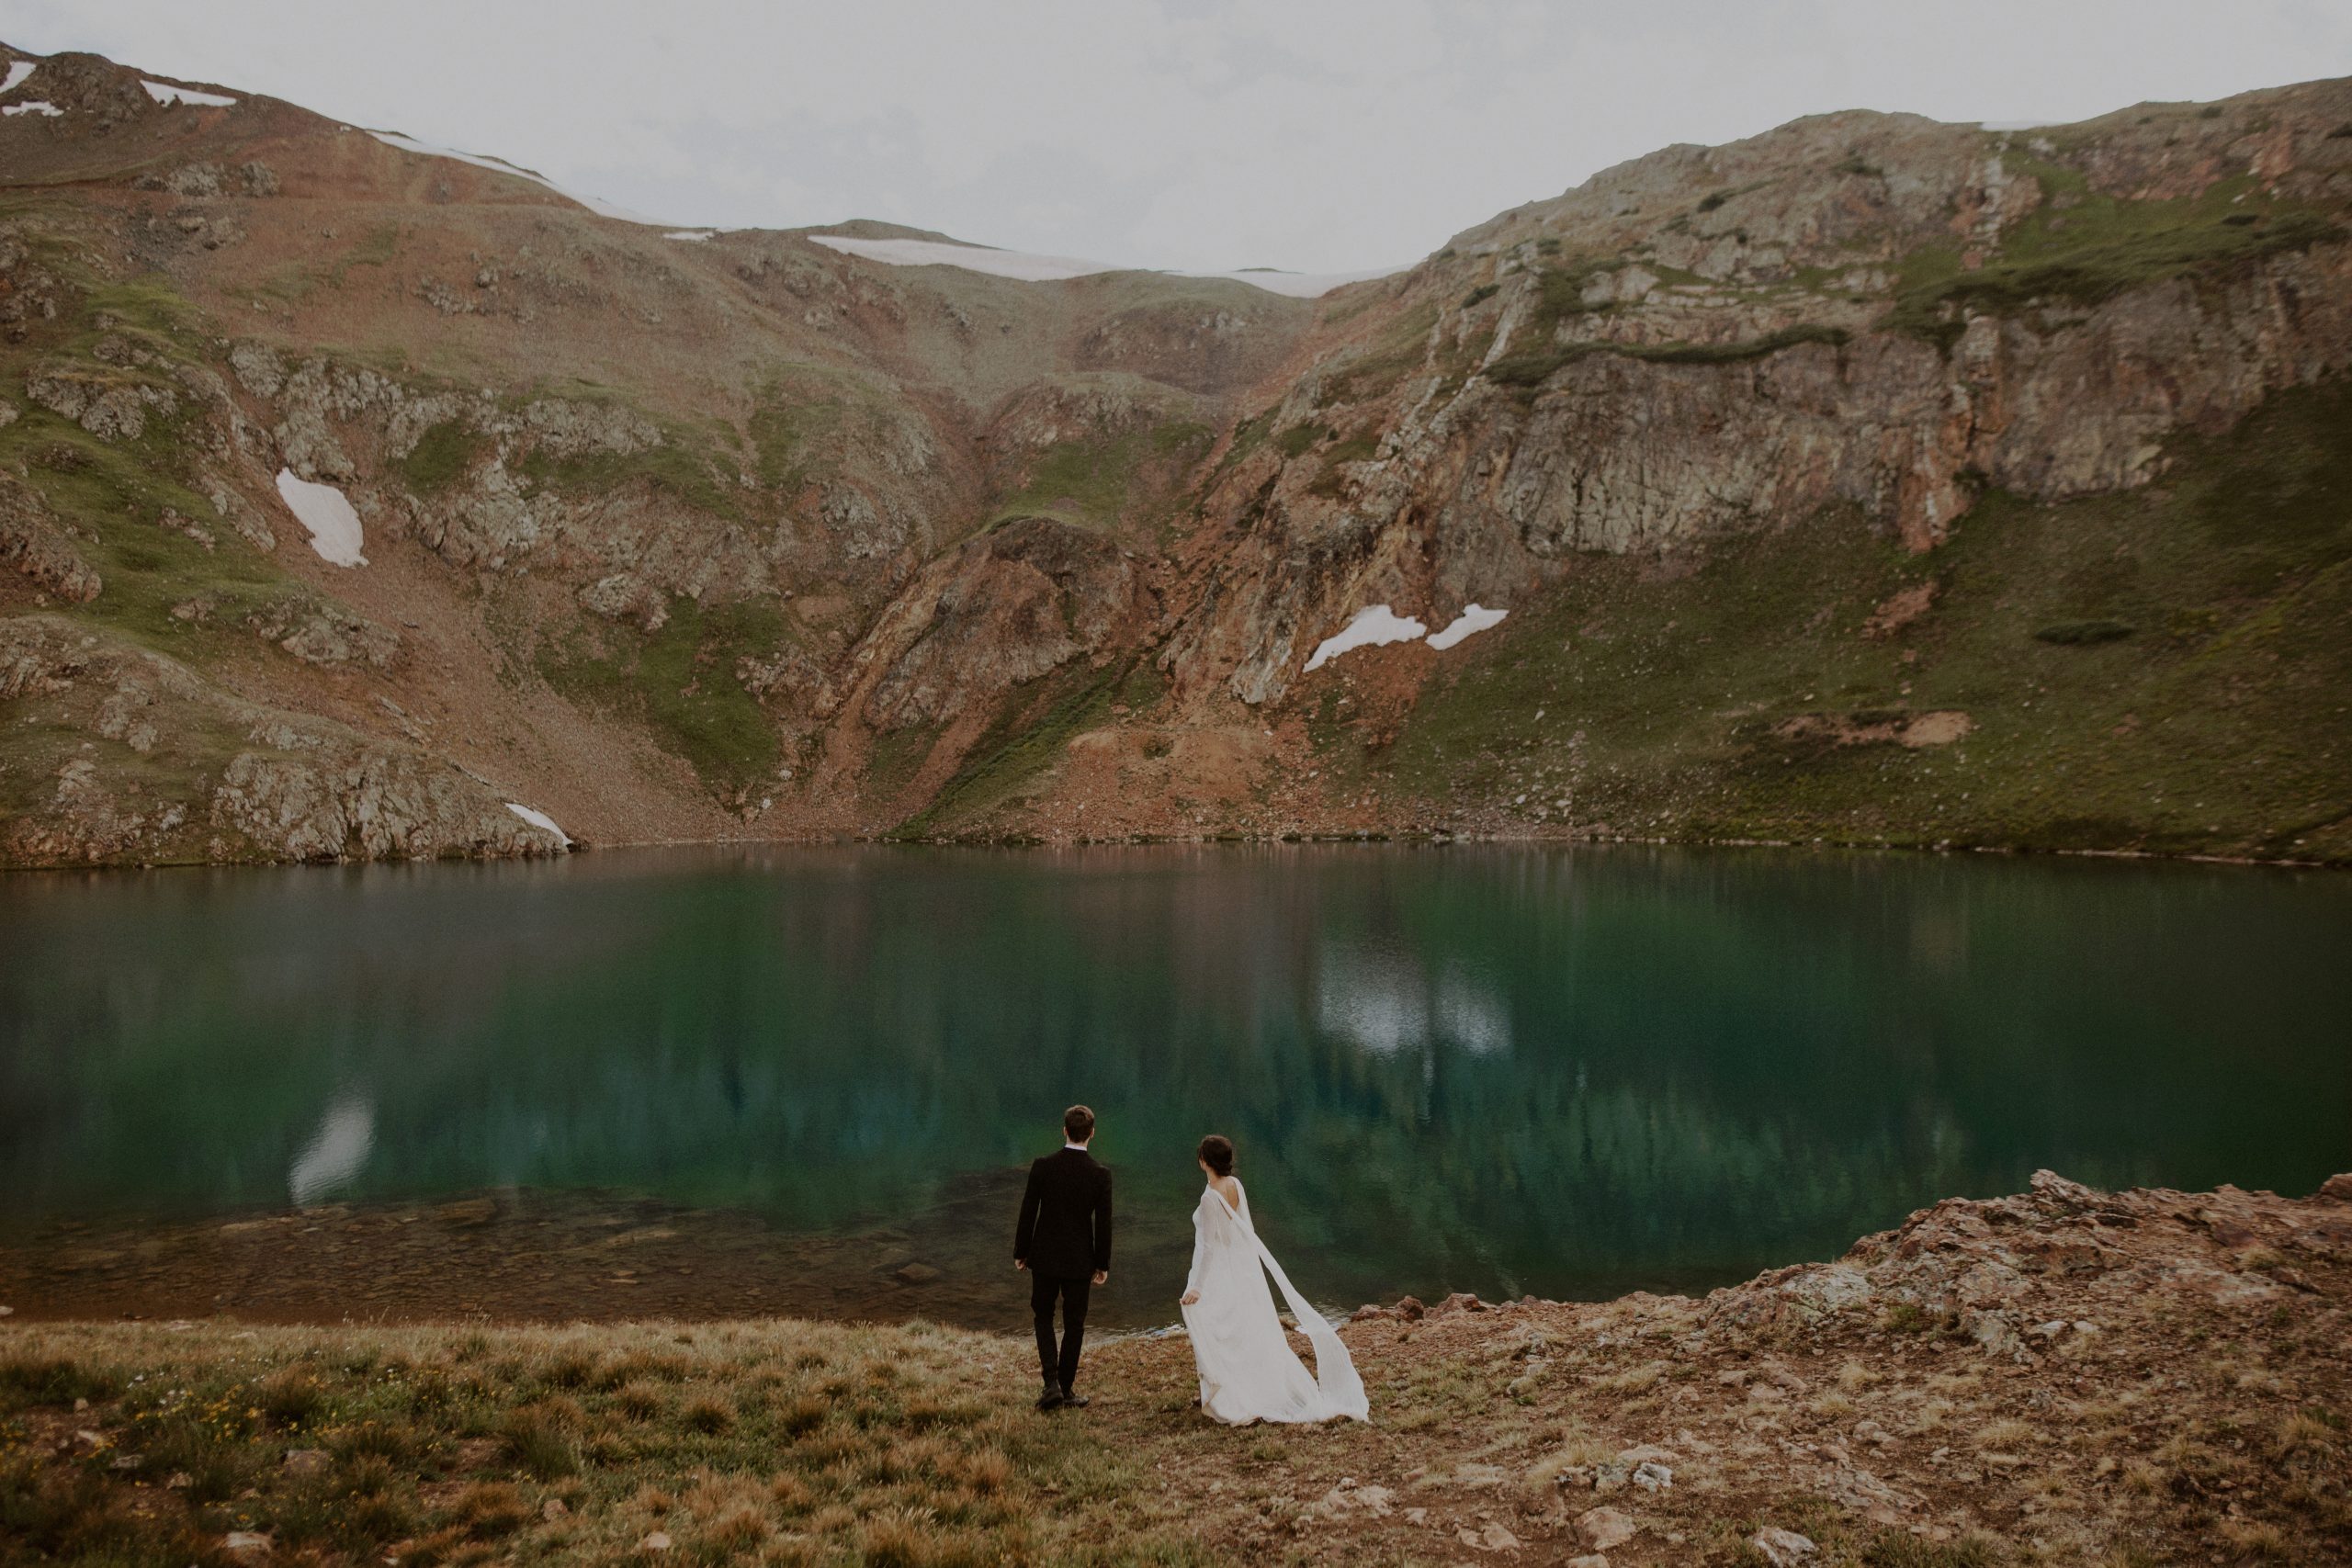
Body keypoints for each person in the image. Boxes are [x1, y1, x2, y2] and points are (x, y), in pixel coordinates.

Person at [1179, 1134, 1368, 1425]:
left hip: (1219, 1270)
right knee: (1244, 1328)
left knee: (1214, 1324)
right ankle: (1235, 1385)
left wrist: (1197, 1287)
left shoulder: (1209, 1197)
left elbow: (1208, 1246)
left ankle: (1228, 1390)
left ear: (1204, 1162)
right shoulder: (1235, 1185)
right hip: (1241, 1269)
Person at [1013, 1103, 1113, 1412]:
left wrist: (1022, 1251)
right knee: (1075, 1324)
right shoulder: (1100, 1174)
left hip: (1043, 1257)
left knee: (1043, 1316)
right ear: (1091, 1134)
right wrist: (1102, 1263)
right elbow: (1104, 1223)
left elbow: (1029, 1210)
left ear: (1064, 1131)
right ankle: (1065, 1389)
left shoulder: (1043, 1166)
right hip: (1079, 1260)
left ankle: (1051, 1383)